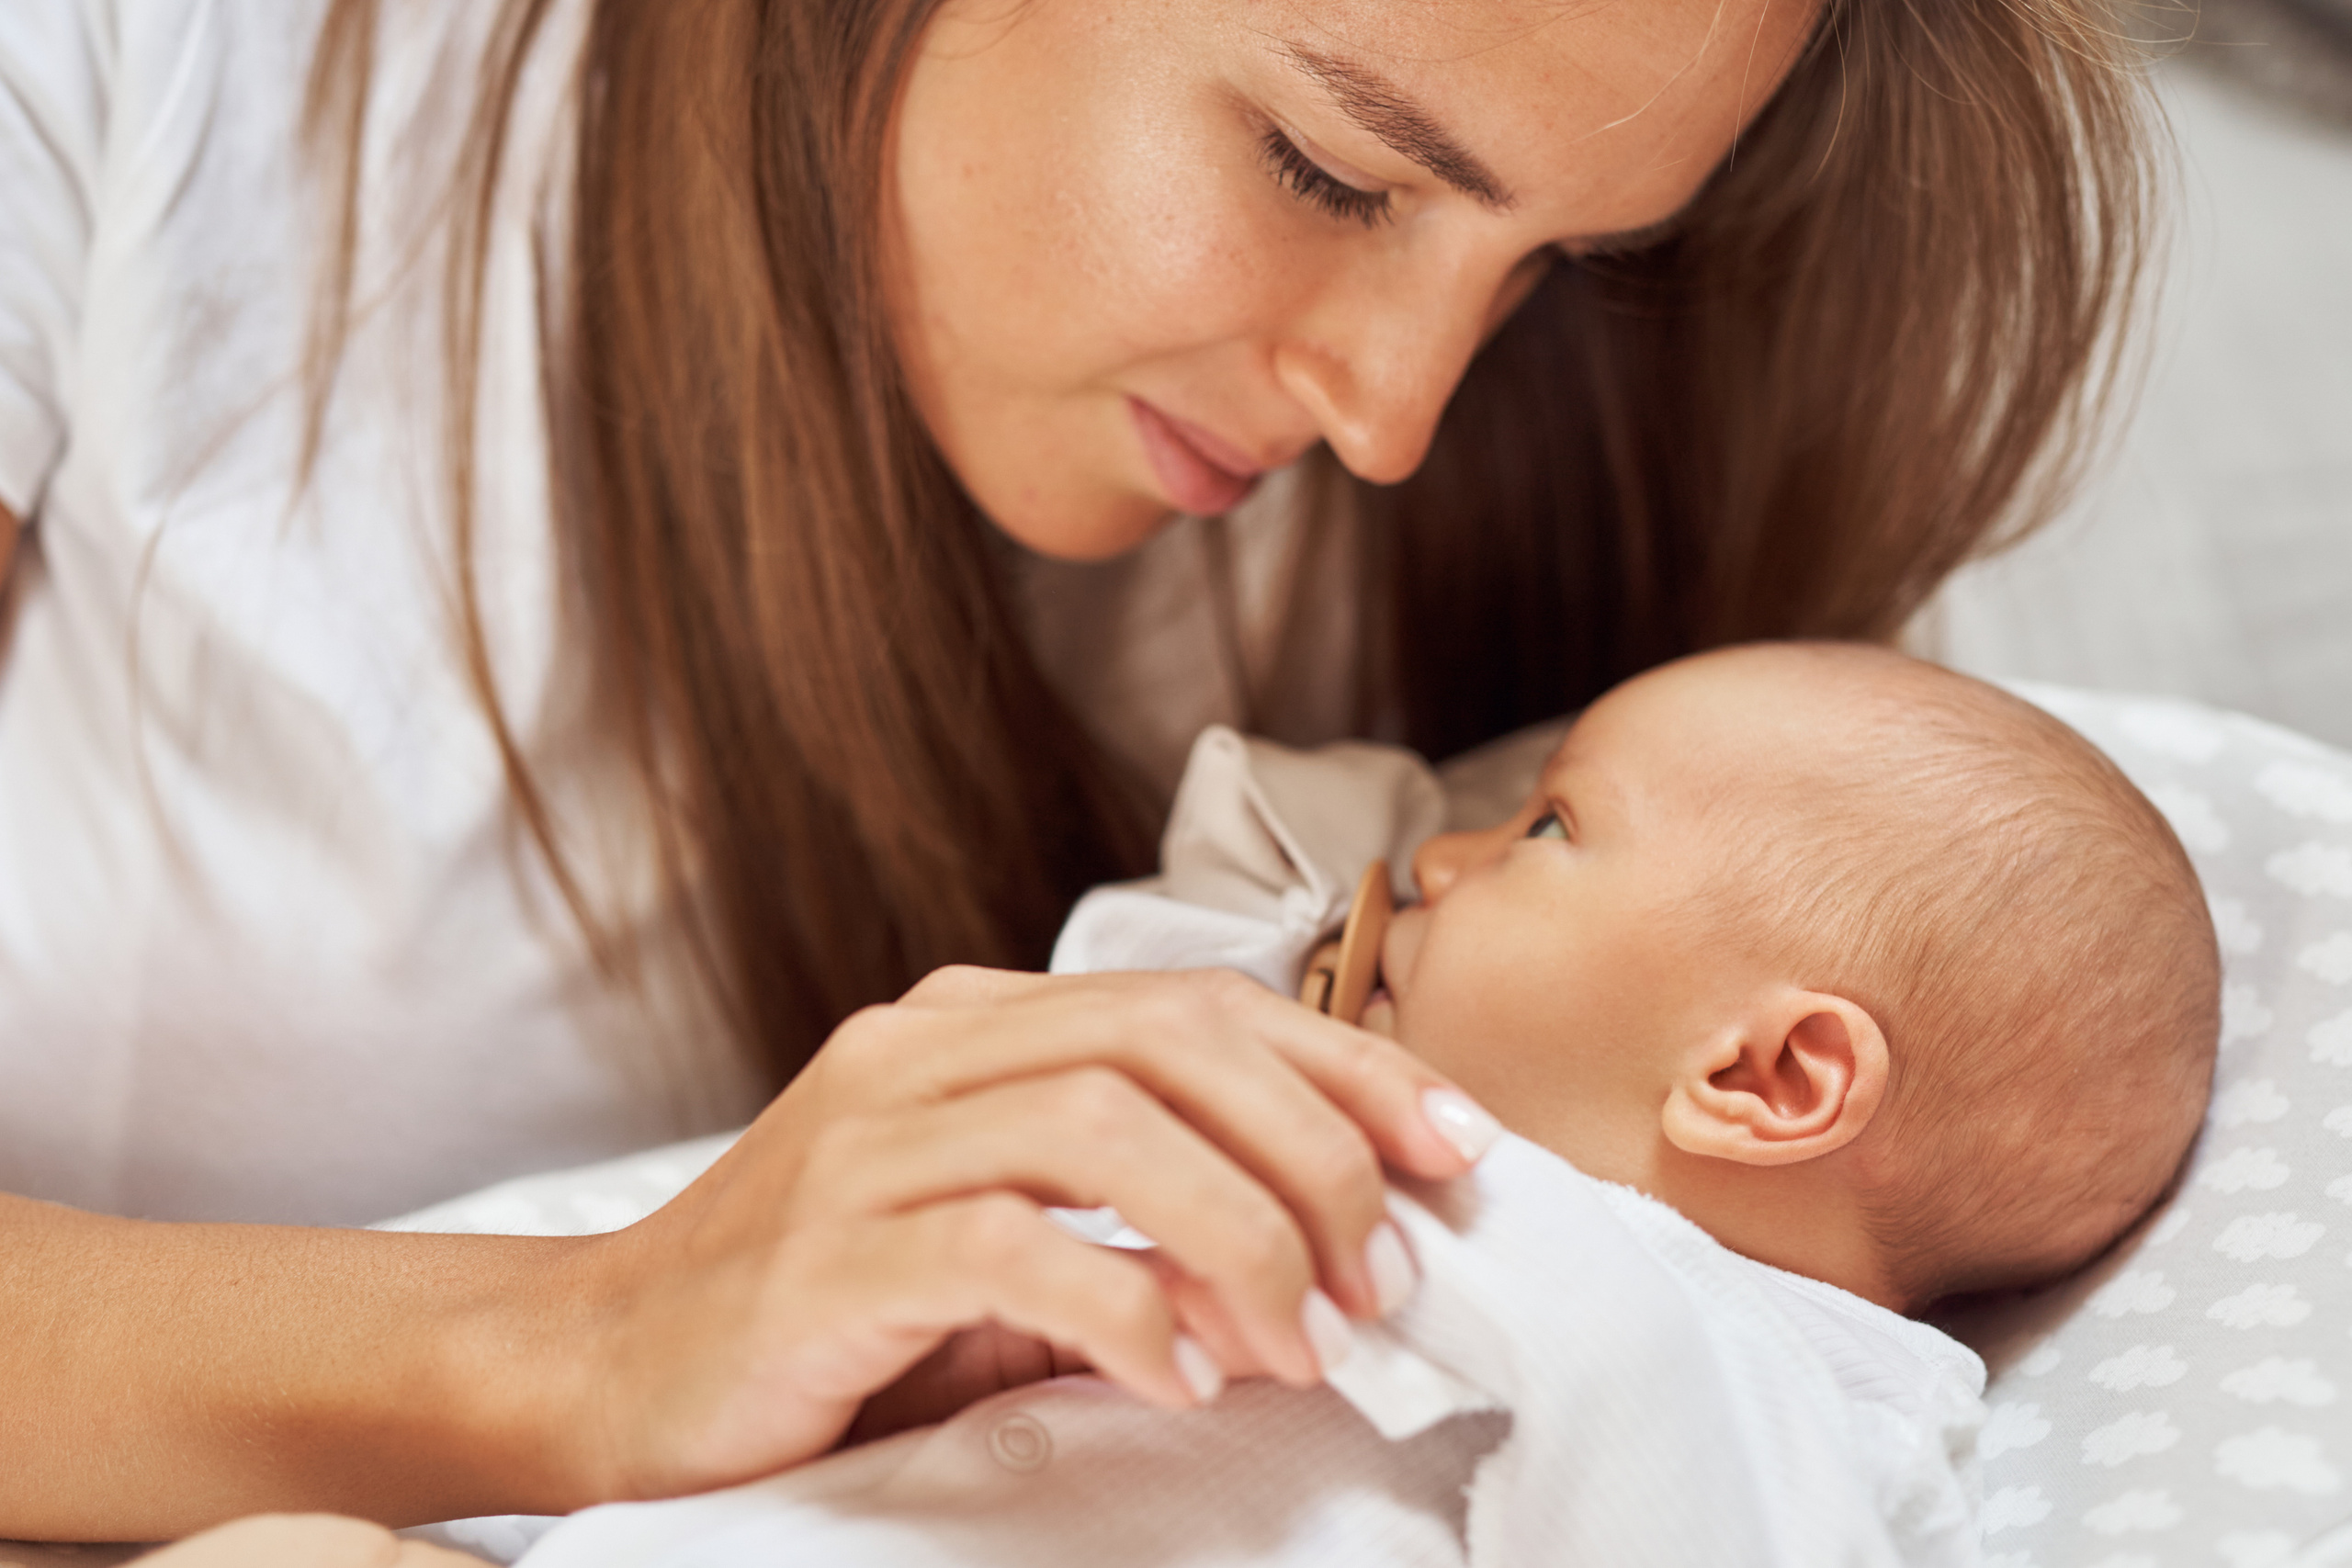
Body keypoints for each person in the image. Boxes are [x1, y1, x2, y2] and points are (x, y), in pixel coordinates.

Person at [0, 0, 2164, 1544]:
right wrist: (567, 1346)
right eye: (1330, 166)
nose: (1393, 409)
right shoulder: (149, 84)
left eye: (1562, 260)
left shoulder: (1603, 482)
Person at [182, 640, 2211, 1565]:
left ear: (1764, 1075)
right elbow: (1135, 960)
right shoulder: (1318, 1104)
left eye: (1547, 825)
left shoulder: (1744, 1364)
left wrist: (1461, 1204)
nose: (1438, 855)